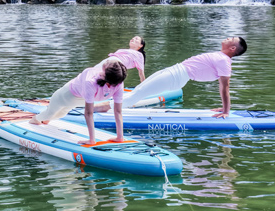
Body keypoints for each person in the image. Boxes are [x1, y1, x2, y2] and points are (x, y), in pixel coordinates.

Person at [119, 36, 247, 116]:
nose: (228, 38)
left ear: (232, 48)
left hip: (176, 76)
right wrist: (224, 108)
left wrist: (226, 111)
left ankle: (104, 109)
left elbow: (225, 87)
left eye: (231, 39)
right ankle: (110, 106)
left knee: (139, 93)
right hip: (175, 71)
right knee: (138, 90)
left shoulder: (224, 61)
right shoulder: (221, 57)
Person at [29, 58, 128, 144]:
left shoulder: (116, 83)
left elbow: (91, 113)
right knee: (50, 113)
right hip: (68, 95)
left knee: (60, 114)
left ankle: (46, 119)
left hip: (76, 97)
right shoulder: (97, 81)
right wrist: (92, 139)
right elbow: (92, 113)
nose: (107, 61)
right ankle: (35, 119)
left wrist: (119, 137)